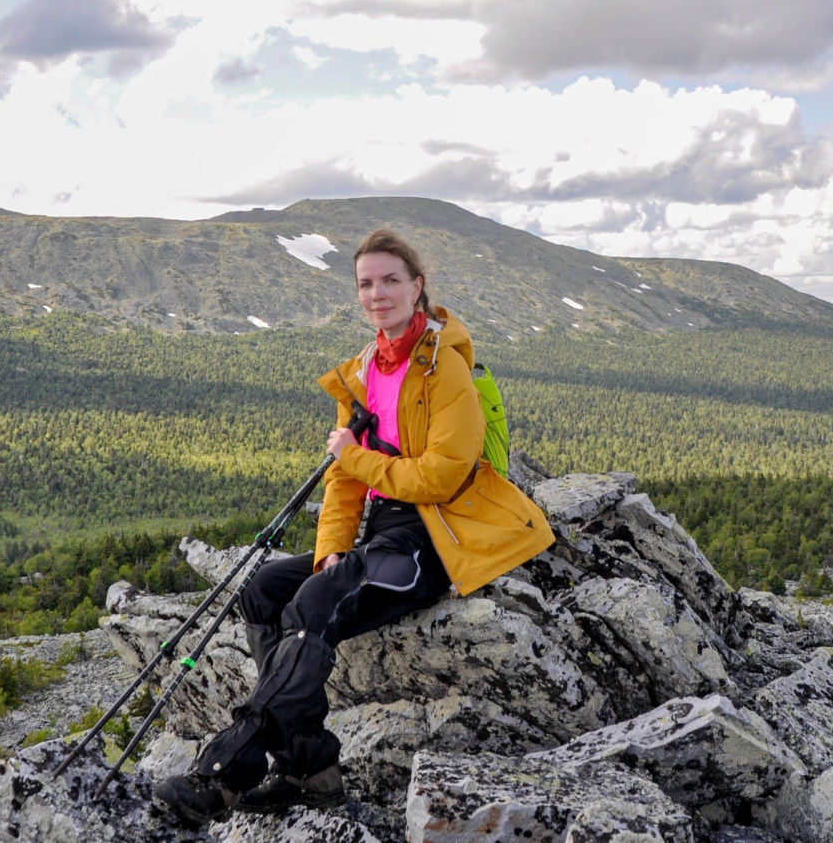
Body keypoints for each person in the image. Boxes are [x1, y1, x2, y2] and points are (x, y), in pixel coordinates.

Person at [155, 227, 555, 824]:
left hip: (432, 539)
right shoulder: (365, 370)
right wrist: (330, 554)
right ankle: (309, 769)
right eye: (366, 283)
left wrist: (356, 457)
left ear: (418, 287)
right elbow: (343, 485)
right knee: (265, 590)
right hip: (380, 532)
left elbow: (441, 477)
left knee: (313, 606)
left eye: (391, 280)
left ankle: (226, 774)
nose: (378, 293)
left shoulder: (446, 370)